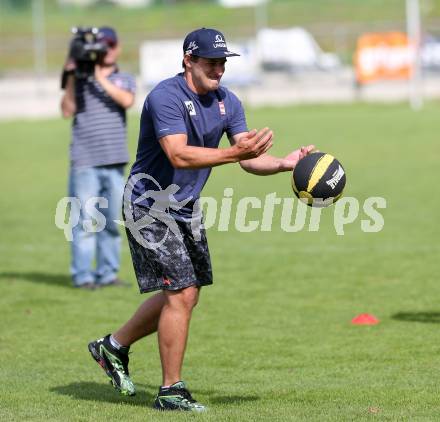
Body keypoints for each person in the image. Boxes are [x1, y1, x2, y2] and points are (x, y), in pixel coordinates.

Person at [88, 27, 314, 411]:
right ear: (188, 60)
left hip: (185, 208)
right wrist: (235, 154)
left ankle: (112, 346)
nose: (219, 70)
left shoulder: (229, 101)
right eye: (211, 62)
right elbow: (179, 155)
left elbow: (247, 158)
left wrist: (283, 164)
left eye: (223, 62)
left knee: (184, 295)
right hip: (148, 205)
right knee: (181, 292)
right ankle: (171, 391)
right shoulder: (165, 97)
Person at [61, 27, 136, 290]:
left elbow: (126, 100)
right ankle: (83, 276)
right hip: (85, 161)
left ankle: (108, 274)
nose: (107, 50)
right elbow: (66, 110)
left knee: (111, 222)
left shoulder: (123, 78)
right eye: (103, 46)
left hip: (115, 160)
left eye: (111, 45)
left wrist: (97, 77)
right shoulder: (80, 79)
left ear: (117, 48)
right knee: (84, 222)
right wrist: (72, 75)